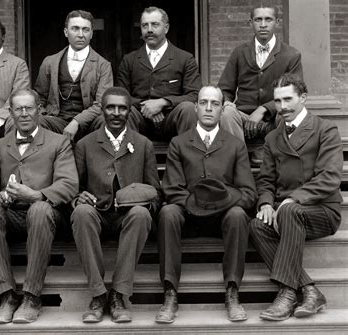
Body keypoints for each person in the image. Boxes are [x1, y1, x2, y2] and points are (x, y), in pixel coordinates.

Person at [0, 88, 78, 324]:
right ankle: (7, 295)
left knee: (40, 209)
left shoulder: (58, 142)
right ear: (10, 113)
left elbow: (69, 184)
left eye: (29, 108)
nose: (24, 113)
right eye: (18, 109)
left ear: (39, 110)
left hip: (47, 213)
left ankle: (32, 296)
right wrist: (0, 196)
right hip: (12, 214)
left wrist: (36, 195)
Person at [156, 86, 256, 323]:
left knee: (239, 214)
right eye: (203, 103)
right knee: (168, 212)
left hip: (223, 219)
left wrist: (217, 202)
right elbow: (171, 189)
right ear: (195, 107)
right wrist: (197, 204)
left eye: (215, 103)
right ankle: (170, 293)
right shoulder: (179, 143)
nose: (208, 108)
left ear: (223, 109)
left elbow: (249, 193)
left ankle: (232, 290)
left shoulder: (234, 144)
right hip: (188, 217)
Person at [249, 73, 342, 321]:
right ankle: (309, 290)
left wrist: (293, 199)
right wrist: (266, 203)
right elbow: (266, 180)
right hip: (287, 212)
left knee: (289, 210)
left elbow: (330, 177)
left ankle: (288, 293)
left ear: (303, 97)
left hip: (321, 210)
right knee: (257, 224)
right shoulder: (272, 137)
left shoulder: (325, 129)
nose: (283, 107)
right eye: (278, 102)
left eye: (288, 99)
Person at [71, 87, 162, 323]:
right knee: (81, 212)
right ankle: (99, 295)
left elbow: (156, 193)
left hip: (128, 216)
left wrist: (140, 199)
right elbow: (74, 188)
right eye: (110, 107)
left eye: (122, 108)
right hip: (97, 215)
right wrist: (78, 198)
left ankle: (118, 296)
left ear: (129, 111)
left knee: (142, 214)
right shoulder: (85, 144)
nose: (116, 113)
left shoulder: (143, 144)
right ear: (102, 110)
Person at [218, 6, 303, 165]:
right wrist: (227, 103)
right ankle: (238, 162)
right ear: (251, 22)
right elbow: (225, 89)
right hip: (243, 117)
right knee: (226, 113)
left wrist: (264, 108)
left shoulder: (291, 55)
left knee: (289, 111)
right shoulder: (239, 52)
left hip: (274, 118)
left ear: (277, 22)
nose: (263, 24)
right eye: (258, 20)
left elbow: (295, 92)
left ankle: (274, 158)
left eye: (268, 19)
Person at [116, 6, 201, 140]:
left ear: (166, 28)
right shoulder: (129, 60)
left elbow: (194, 95)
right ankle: (128, 158)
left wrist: (163, 102)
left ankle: (188, 157)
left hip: (172, 119)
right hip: (139, 120)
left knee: (188, 108)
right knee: (125, 110)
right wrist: (146, 106)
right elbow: (120, 95)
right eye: (145, 25)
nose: (149, 29)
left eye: (155, 24)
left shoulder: (185, 59)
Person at [34, 10, 113, 142]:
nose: (81, 35)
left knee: (105, 121)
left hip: (89, 123)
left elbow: (101, 104)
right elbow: (39, 97)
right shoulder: (50, 62)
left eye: (85, 30)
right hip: (57, 120)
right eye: (75, 29)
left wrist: (77, 122)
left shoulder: (103, 65)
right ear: (66, 32)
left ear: (91, 34)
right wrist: (44, 114)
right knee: (37, 122)